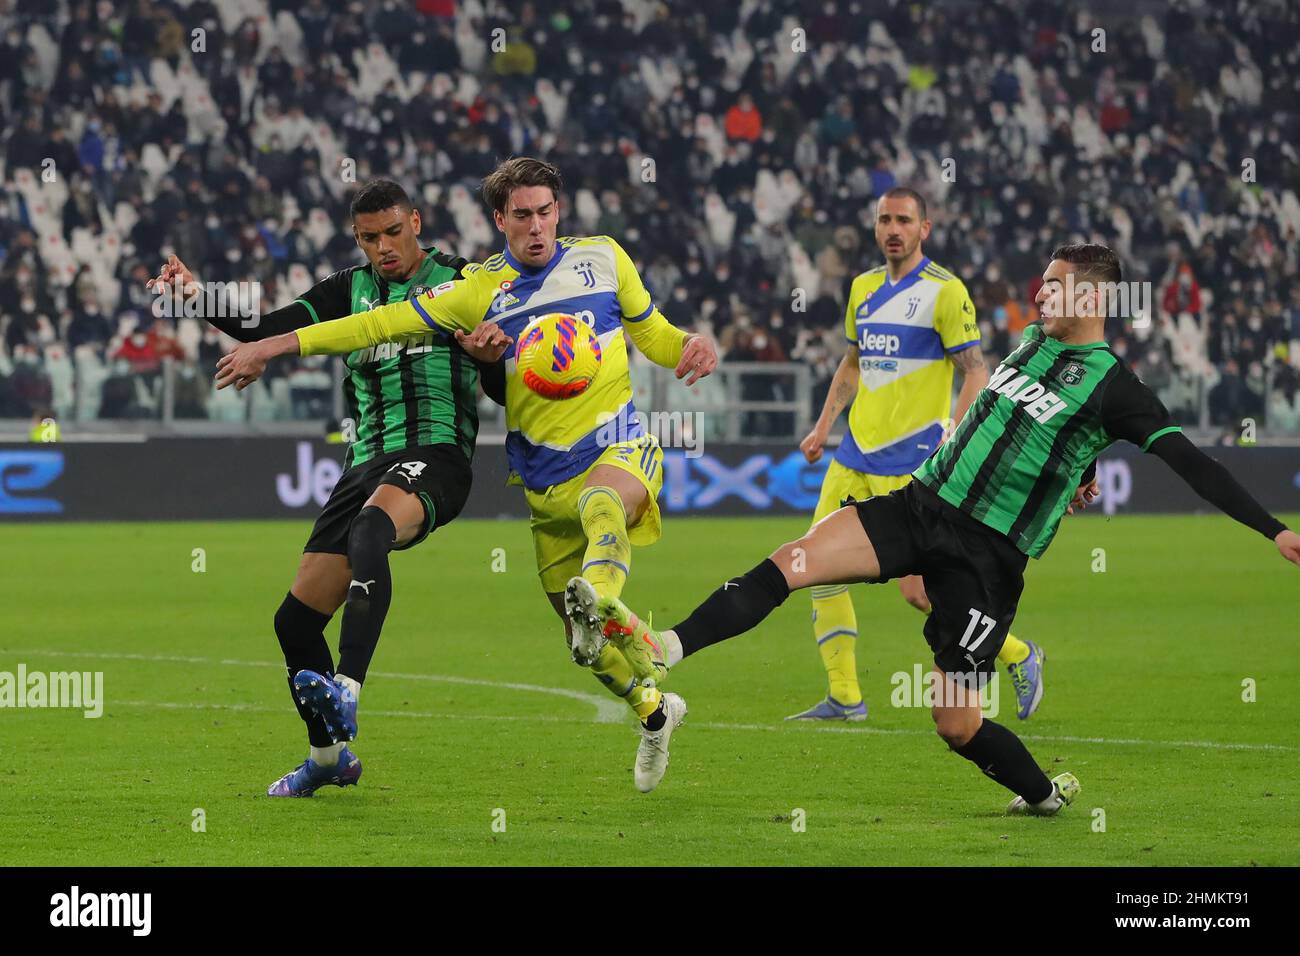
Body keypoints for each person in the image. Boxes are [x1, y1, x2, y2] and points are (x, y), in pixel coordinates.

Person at [586, 243, 1300, 816]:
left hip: (986, 561)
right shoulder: (1029, 344)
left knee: (954, 724)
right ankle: (663, 648)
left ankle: (1043, 794)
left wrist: (1274, 531)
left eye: (1054, 285)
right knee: (794, 558)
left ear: (1093, 297)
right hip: (921, 506)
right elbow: (1028, 427)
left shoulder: (1116, 387)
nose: (1039, 294)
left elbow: (1192, 463)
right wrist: (1073, 473)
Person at [211, 157, 718, 793]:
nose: (537, 227)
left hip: (610, 447)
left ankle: (606, 599)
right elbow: (374, 326)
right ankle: (653, 710)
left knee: (601, 509)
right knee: (581, 646)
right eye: (522, 215)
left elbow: (656, 333)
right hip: (535, 475)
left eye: (546, 212)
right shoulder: (477, 291)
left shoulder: (605, 259)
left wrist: (689, 344)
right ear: (499, 220)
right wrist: (259, 341)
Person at [149, 179, 508, 797]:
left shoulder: (462, 283)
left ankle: (350, 688)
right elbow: (262, 326)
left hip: (437, 454)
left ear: (416, 223)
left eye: (394, 232)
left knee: (373, 529)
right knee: (294, 622)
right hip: (365, 464)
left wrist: (491, 358)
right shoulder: (349, 289)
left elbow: (503, 391)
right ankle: (326, 758)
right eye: (370, 237)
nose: (384, 247)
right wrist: (194, 296)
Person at [793, 187, 1046, 723]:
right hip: (852, 456)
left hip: (913, 465)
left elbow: (975, 369)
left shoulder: (946, 292)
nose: (892, 229)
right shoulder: (861, 288)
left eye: (904, 220)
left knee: (922, 592)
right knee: (816, 567)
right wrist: (821, 428)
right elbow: (852, 365)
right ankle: (844, 695)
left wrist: (956, 434)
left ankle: (1019, 652)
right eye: (884, 219)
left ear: (923, 229)